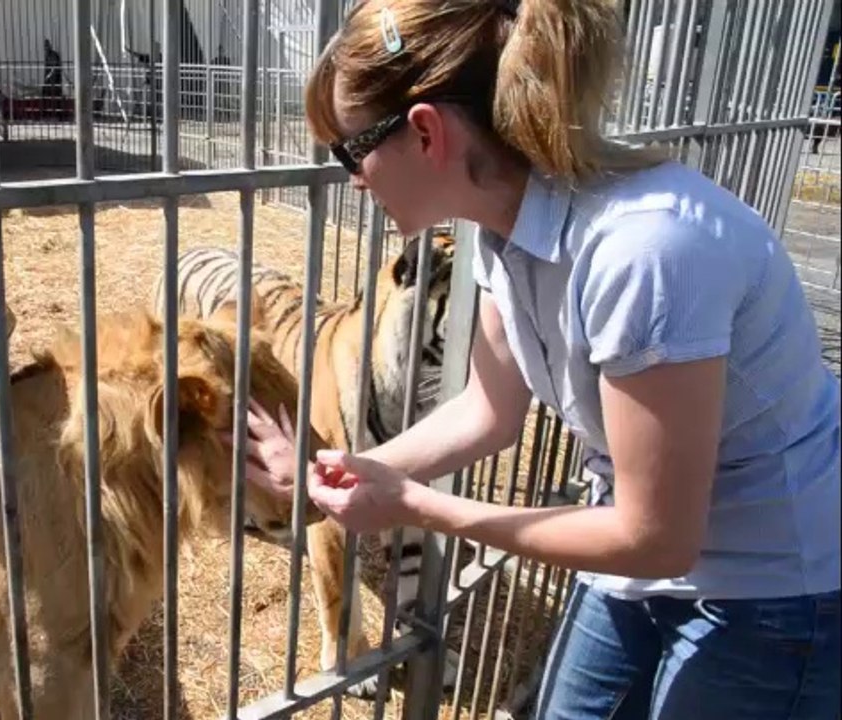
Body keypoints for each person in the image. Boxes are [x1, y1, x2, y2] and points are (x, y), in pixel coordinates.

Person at [237, 1, 842, 718]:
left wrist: (419, 507)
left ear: (426, 132)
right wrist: (342, 471)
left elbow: (655, 540)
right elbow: (487, 411)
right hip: (635, 551)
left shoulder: (643, 251)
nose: (352, 180)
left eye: (349, 151)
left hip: (773, 586)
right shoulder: (504, 230)